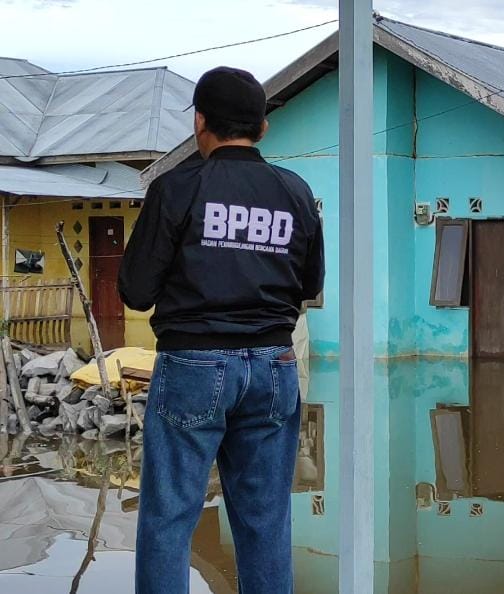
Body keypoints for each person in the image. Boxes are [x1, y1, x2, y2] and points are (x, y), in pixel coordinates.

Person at [119, 66, 325, 594]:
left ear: (200, 122)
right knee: (265, 519)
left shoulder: (177, 189)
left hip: (194, 364)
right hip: (275, 368)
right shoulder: (296, 192)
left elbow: (137, 291)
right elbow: (309, 283)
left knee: (169, 517)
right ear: (263, 128)